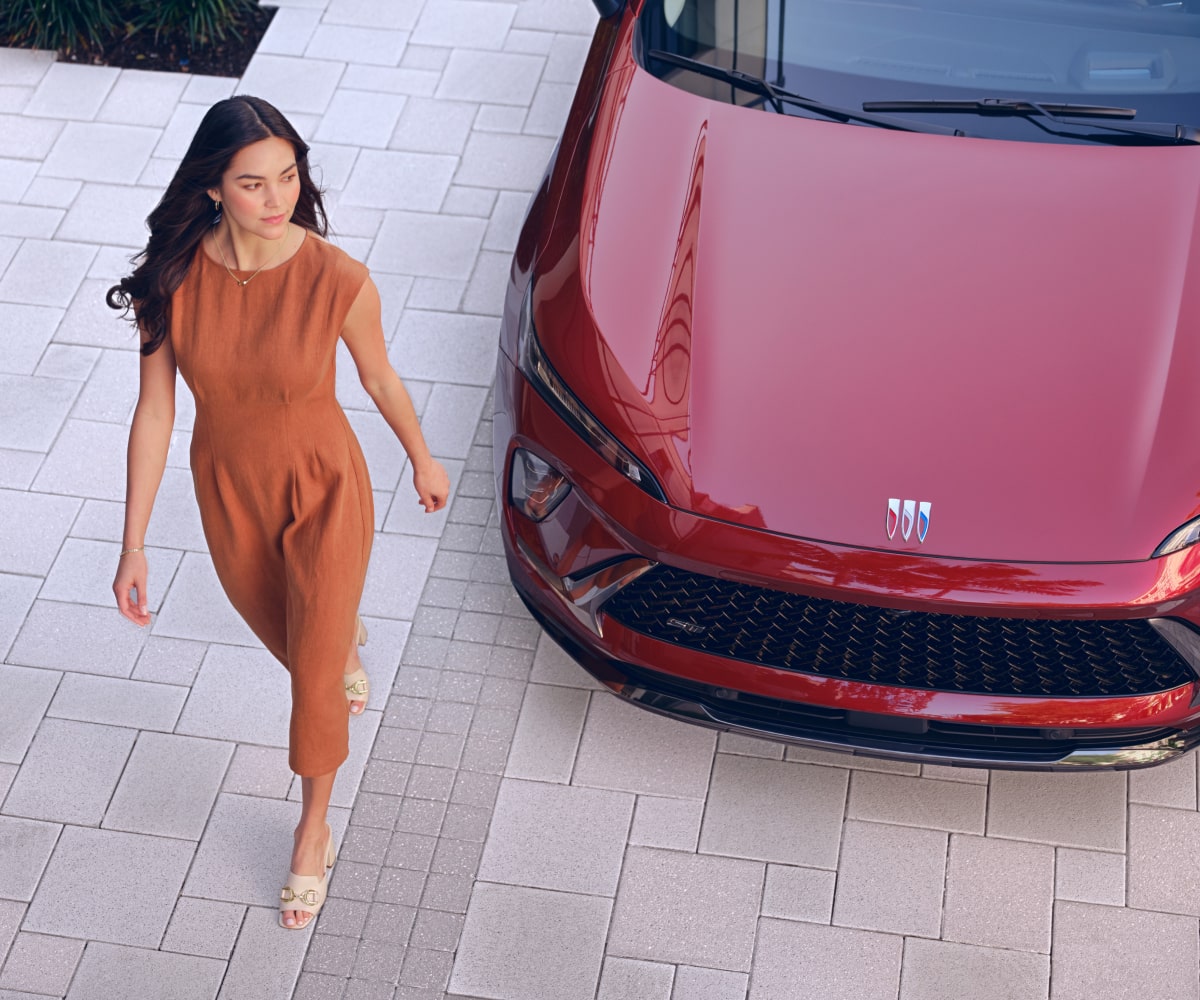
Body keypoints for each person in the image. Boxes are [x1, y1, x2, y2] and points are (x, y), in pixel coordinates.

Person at [108, 95, 450, 930]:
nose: (277, 199)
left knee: (313, 678)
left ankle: (312, 829)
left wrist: (421, 454)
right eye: (253, 184)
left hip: (325, 485)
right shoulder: (173, 281)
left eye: (289, 176)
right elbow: (155, 413)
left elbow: (379, 378)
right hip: (230, 491)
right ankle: (336, 643)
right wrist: (134, 543)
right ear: (214, 189)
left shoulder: (337, 278)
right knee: (295, 637)